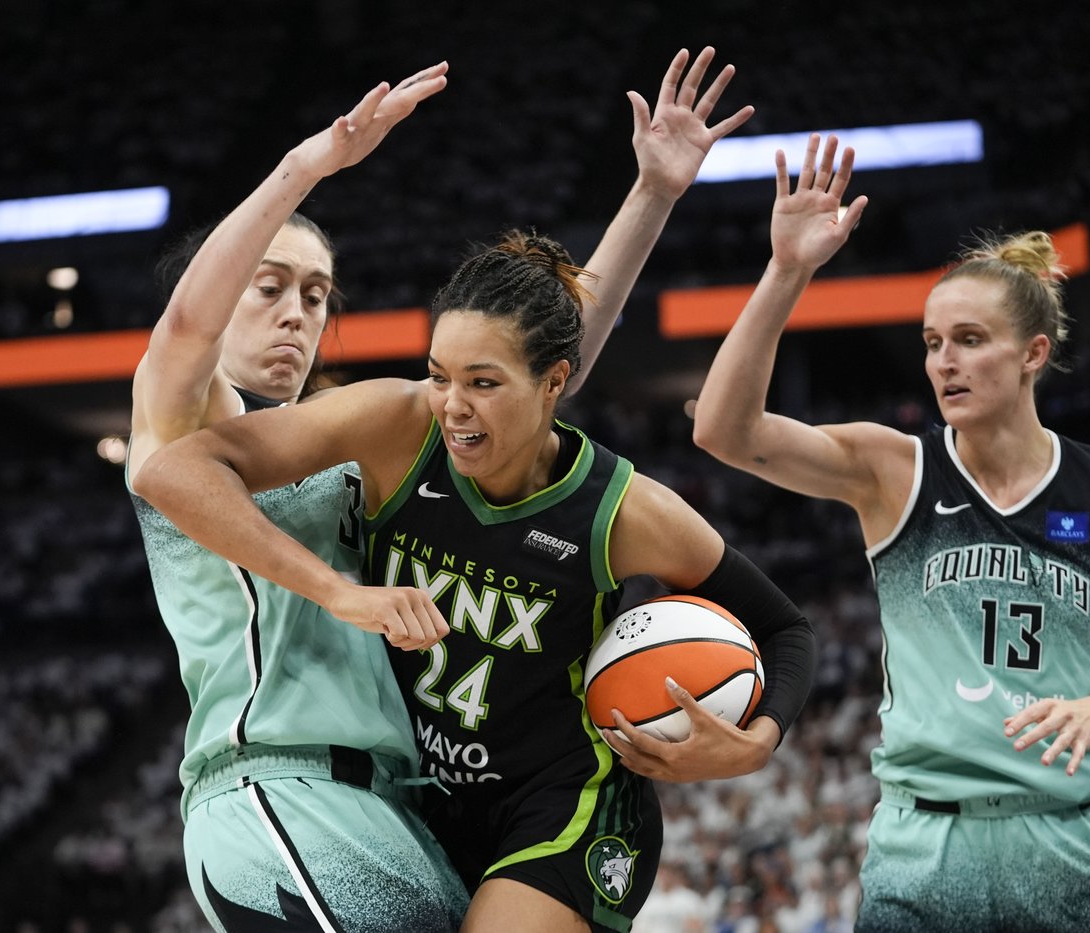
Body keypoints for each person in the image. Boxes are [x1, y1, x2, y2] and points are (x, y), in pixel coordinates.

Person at [128, 48, 764, 932]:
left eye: (316, 294)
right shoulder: (188, 418)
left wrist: (652, 194)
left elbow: (542, 364)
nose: (296, 312)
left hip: (396, 806)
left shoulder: (354, 435)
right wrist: (307, 167)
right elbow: (186, 327)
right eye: (267, 287)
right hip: (275, 784)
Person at [692, 133, 1090, 932]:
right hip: (927, 846)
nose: (944, 362)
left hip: (1078, 836)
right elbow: (723, 430)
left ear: (1033, 354)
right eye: (931, 343)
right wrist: (786, 270)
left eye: (969, 340)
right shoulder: (894, 470)